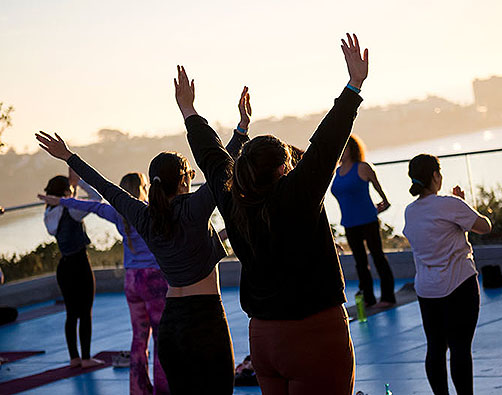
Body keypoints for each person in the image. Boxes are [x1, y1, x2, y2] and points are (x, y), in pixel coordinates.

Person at [178, 33, 368, 394]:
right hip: (315, 335)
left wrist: (189, 111)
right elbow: (327, 145)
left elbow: (211, 156)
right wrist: (353, 86)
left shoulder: (232, 197)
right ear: (283, 170)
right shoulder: (296, 196)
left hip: (264, 340)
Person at [35, 94, 250, 393]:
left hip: (172, 323)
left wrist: (69, 157)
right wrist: (240, 130)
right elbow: (220, 170)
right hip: (206, 319)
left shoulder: (144, 216)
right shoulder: (194, 208)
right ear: (185, 181)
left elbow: (106, 188)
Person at [38, 172, 169, 395]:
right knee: (160, 336)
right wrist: (75, 186)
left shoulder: (118, 212)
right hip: (153, 280)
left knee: (138, 338)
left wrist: (61, 200)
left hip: (131, 280)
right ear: (142, 189)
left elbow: (93, 207)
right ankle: (163, 389)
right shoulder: (151, 210)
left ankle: (138, 390)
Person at [402, 154, 491, 395]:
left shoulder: (410, 211)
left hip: (427, 290)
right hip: (459, 285)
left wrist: (459, 210)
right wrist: (463, 205)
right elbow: (484, 226)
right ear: (435, 176)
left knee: (435, 347)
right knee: (460, 348)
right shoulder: (450, 204)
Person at [41, 170, 104, 369]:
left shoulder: (49, 214)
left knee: (71, 314)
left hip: (64, 267)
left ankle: (74, 357)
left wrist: (72, 188)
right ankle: (86, 358)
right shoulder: (72, 210)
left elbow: (65, 207)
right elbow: (96, 199)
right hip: (80, 265)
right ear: (66, 193)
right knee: (86, 313)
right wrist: (80, 182)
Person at [331, 134, 395, 307]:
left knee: (377, 257)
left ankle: (388, 297)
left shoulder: (362, 167)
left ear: (353, 149)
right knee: (360, 262)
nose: (342, 152)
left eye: (346, 148)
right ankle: (368, 298)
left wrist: (384, 202)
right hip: (349, 223)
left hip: (367, 219)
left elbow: (378, 188)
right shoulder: (337, 172)